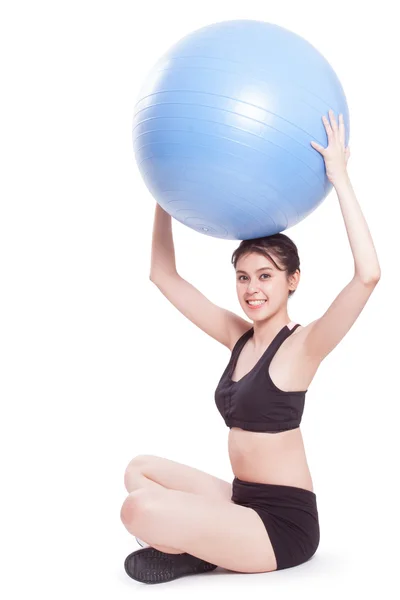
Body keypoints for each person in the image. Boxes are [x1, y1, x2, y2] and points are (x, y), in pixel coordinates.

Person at [120, 110, 381, 584]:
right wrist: (166, 190)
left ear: (292, 281)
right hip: (243, 500)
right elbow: (163, 276)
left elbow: (368, 276)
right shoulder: (237, 338)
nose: (252, 289)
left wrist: (340, 177)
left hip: (282, 527)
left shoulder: (304, 346)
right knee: (140, 471)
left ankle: (201, 546)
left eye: (265, 276)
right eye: (243, 277)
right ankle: (206, 543)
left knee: (137, 510)